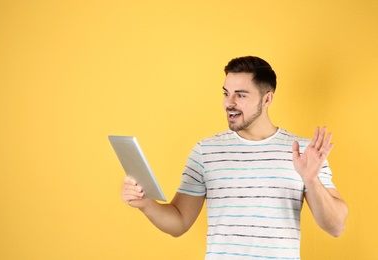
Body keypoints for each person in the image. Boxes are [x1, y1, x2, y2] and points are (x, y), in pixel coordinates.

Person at [122, 56, 348, 259]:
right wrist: (146, 204)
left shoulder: (305, 153)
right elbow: (179, 223)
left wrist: (311, 180)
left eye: (240, 95)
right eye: (226, 93)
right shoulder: (205, 151)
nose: (228, 103)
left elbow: (336, 226)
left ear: (267, 99)